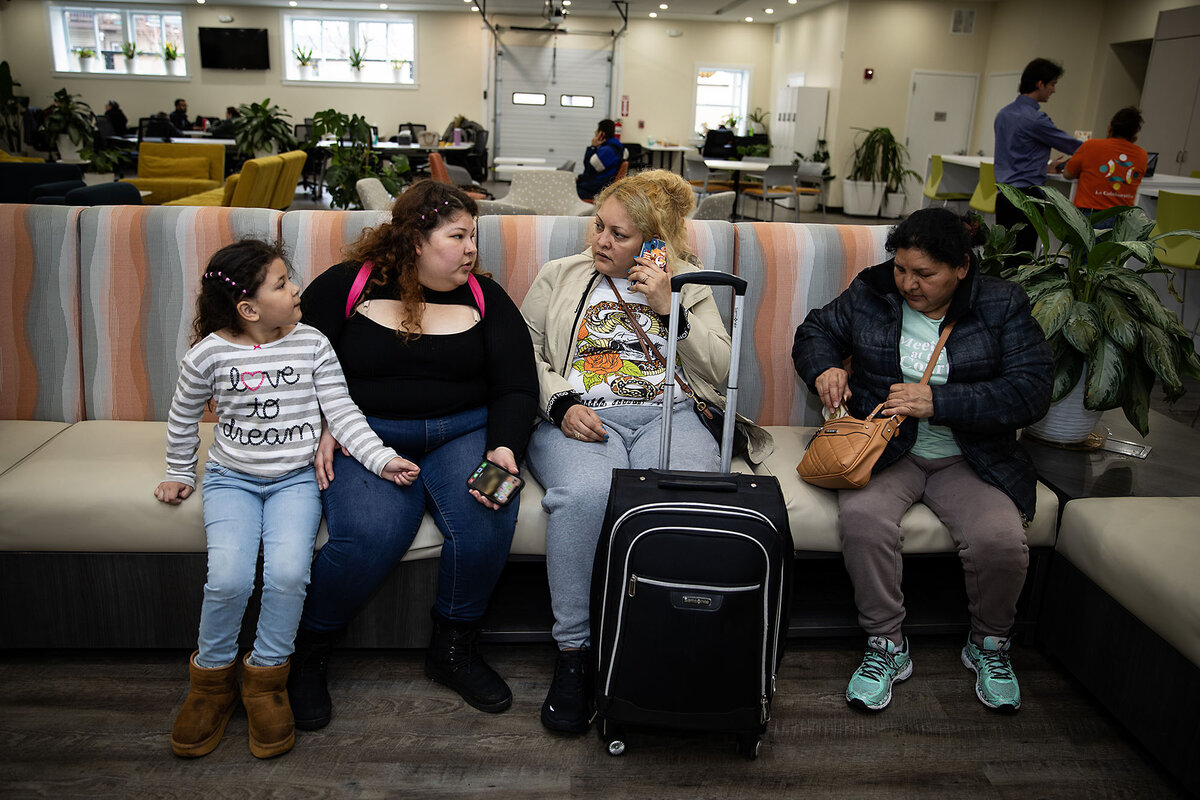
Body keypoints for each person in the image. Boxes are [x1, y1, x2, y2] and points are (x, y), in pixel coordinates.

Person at [521, 169, 770, 733]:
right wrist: (559, 404)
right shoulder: (560, 275)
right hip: (585, 415)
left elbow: (728, 372)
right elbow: (523, 353)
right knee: (585, 496)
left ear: (656, 242)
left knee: (688, 498)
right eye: (599, 226)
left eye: (619, 234)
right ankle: (574, 654)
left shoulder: (691, 284)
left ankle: (662, 640)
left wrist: (670, 306)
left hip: (672, 413)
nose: (600, 242)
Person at [288, 180, 539, 729]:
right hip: (366, 436)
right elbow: (296, 360)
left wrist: (503, 448)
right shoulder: (347, 286)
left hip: (463, 434)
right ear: (416, 240)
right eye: (458, 235)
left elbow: (518, 386)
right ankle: (306, 652)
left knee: (487, 518)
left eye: (474, 235)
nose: (472, 249)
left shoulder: (485, 297)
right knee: (373, 533)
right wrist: (326, 421)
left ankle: (453, 649)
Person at [155, 239, 419, 759]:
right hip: (231, 480)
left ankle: (267, 680)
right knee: (228, 577)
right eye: (282, 284)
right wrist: (178, 472)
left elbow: (343, 415)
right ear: (248, 309)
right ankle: (210, 682)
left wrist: (383, 458)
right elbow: (183, 418)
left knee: (288, 573)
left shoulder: (313, 343)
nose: (296, 287)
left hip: (296, 481)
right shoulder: (207, 354)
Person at [792, 207, 1053, 715]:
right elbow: (815, 331)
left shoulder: (1002, 304)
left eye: (925, 274)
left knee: (1000, 540)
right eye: (902, 269)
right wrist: (825, 367)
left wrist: (939, 402)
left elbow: (1031, 392)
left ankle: (990, 644)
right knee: (864, 519)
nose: (909, 283)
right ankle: (887, 644)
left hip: (972, 455)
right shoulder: (872, 291)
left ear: (961, 268)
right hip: (887, 449)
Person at [993, 58, 1082, 260]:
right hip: (1027, 199)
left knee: (1004, 256)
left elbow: (1014, 153)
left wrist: (1043, 166)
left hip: (1004, 197)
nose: (1054, 90)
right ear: (1040, 84)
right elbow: (1073, 147)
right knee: (1022, 259)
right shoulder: (1034, 119)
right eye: (1052, 84)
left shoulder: (1003, 114)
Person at [1063, 106, 1148, 224]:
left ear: (1110, 128)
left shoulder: (1090, 146)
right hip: (1122, 220)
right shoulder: (1142, 155)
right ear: (1135, 136)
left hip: (1088, 216)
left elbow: (1067, 174)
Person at [576, 119, 628, 200]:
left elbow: (589, 169)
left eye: (597, 130)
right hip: (603, 185)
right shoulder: (618, 146)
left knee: (570, 189)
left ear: (602, 134)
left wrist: (592, 147)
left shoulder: (607, 151)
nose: (595, 133)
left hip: (597, 189)